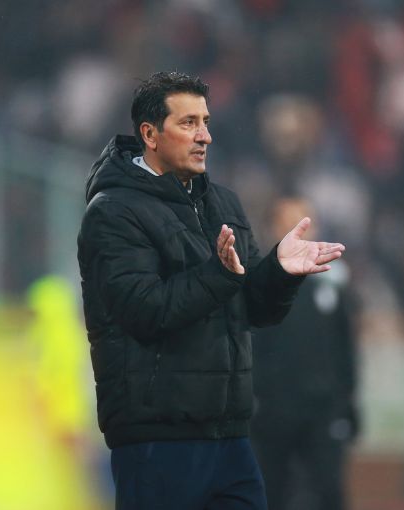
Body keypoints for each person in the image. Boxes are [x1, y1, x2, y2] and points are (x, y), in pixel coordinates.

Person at [77, 71, 345, 510]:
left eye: (205, 122)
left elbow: (253, 309)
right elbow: (145, 311)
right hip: (158, 440)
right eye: (188, 123)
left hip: (230, 436)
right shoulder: (112, 213)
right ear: (150, 134)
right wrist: (218, 275)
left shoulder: (223, 203)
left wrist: (279, 271)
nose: (205, 136)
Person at [251, 197, 360, 510]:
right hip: (273, 409)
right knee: (271, 491)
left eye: (304, 221)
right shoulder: (258, 279)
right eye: (287, 222)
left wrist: (347, 401)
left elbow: (344, 345)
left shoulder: (333, 281)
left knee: (329, 490)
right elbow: (251, 341)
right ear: (273, 228)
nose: (297, 229)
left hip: (322, 407)